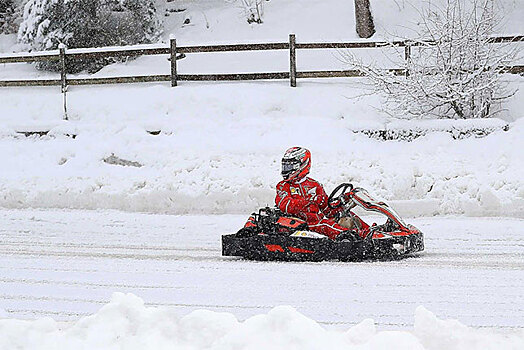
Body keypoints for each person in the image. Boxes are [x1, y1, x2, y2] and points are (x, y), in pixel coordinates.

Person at [275, 147, 363, 241]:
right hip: (299, 224)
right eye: (285, 167)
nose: (286, 170)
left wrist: (342, 203)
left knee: (349, 216)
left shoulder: (315, 185)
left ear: (302, 165)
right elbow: (286, 205)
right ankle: (350, 239)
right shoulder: (283, 186)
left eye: (289, 167)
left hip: (315, 222)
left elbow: (328, 211)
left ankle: (369, 233)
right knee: (325, 225)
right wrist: (309, 201)